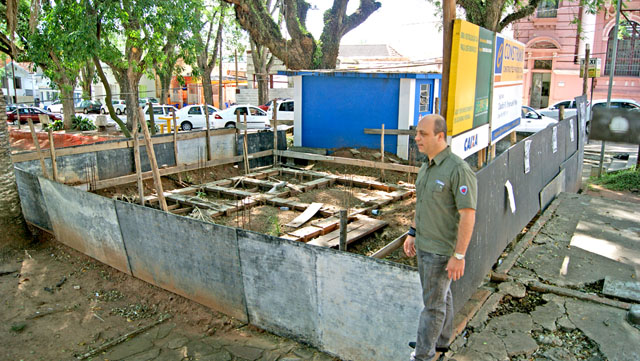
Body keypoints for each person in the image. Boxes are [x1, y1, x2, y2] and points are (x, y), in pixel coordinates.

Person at [404, 114, 477, 361]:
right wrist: (412, 233)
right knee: (442, 296)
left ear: (440, 136)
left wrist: (459, 255)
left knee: (432, 307)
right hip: (424, 245)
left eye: (423, 134)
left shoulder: (458, 169)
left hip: (440, 252)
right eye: (417, 134)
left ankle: (423, 355)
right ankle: (441, 341)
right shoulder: (427, 166)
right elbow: (423, 203)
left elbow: (468, 215)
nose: (417, 139)